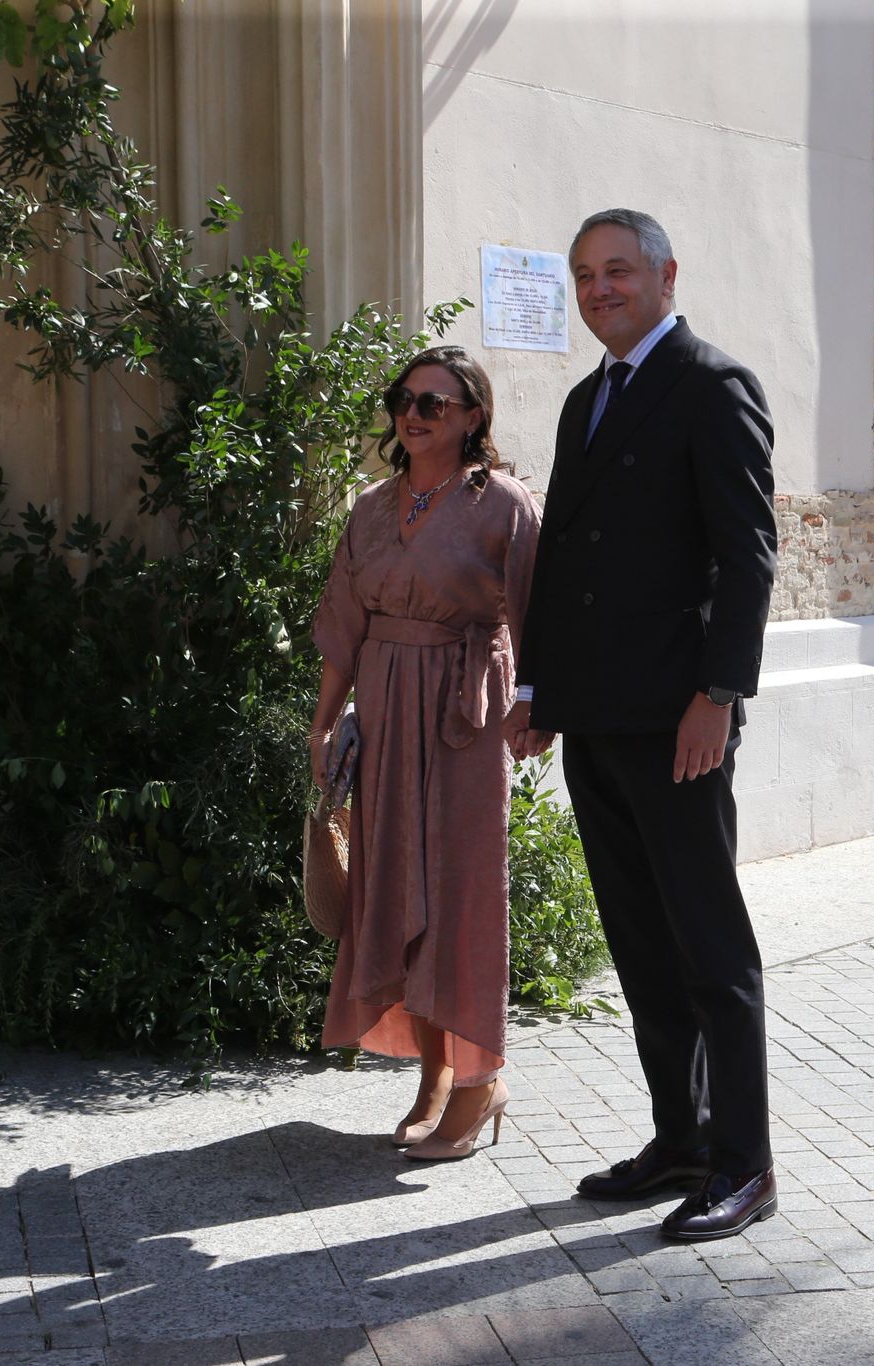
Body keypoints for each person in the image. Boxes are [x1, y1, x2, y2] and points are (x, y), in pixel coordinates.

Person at [507, 207, 779, 1243]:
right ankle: (682, 1137)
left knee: (710, 948)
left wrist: (717, 695)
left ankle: (744, 1164)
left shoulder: (711, 386)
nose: (598, 289)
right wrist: (538, 691)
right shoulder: (587, 400)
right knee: (640, 946)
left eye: (616, 270)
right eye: (583, 275)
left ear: (666, 273)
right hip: (598, 722)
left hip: (678, 722)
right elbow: (565, 565)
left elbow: (745, 555)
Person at [309, 345, 542, 1161]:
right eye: (404, 399)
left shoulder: (502, 503)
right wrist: (324, 722)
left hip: (462, 718)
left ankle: (481, 1084)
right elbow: (344, 624)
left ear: (472, 417)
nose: (412, 413)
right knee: (396, 890)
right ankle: (433, 1076)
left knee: (460, 894)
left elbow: (539, 613)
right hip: (382, 709)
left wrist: (532, 708)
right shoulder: (371, 507)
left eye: (434, 403)